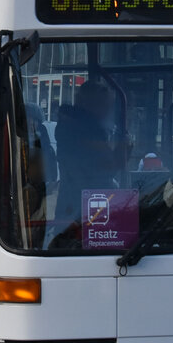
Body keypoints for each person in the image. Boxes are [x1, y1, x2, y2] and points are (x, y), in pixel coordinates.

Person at [53, 80, 127, 233]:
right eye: (104, 105)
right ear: (89, 104)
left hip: (77, 202)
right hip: (83, 204)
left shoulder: (73, 124)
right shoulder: (84, 129)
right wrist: (124, 145)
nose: (108, 111)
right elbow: (110, 165)